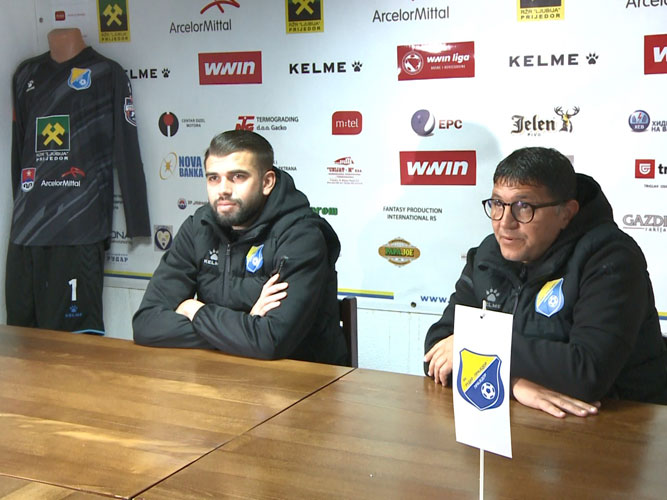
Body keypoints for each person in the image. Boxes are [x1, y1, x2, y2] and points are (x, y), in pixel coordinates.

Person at [424, 147, 667, 417]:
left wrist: (482, 344)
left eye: (523, 207)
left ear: (566, 213)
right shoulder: (489, 254)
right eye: (497, 204)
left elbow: (588, 372)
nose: (505, 223)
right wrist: (512, 384)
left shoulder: (611, 257)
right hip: (522, 419)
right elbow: (437, 352)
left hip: (619, 422)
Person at [133, 130, 348, 365]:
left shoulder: (301, 236)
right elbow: (146, 324)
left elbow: (270, 341)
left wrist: (195, 311)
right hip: (222, 372)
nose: (223, 189)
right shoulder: (198, 228)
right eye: (213, 178)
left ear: (267, 182)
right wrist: (247, 322)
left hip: (304, 379)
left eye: (237, 176)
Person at [7, 28, 149, 334]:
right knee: (21, 339)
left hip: (79, 229)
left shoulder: (107, 73)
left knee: (76, 345)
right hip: (25, 232)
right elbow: (20, 151)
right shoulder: (25, 74)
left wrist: (138, 221)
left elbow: (127, 147)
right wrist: (19, 206)